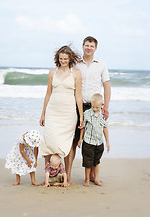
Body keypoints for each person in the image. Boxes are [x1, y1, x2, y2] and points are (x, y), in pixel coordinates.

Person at [67, 36, 111, 184]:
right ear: (83, 46)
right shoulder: (76, 64)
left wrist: (106, 106)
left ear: (95, 48)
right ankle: (68, 174)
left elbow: (106, 85)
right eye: (86, 45)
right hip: (76, 105)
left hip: (94, 108)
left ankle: (92, 176)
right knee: (73, 141)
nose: (89, 48)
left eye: (91, 46)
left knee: (94, 141)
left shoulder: (101, 64)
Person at [39, 46, 83, 177]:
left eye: (65, 59)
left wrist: (81, 116)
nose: (63, 61)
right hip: (53, 112)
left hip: (68, 113)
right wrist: (43, 114)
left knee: (67, 144)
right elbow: (48, 94)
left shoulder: (76, 73)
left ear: (70, 59)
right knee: (48, 141)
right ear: (57, 58)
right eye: (61, 58)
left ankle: (67, 176)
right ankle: (48, 175)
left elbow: (78, 96)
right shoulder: (52, 72)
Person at [78, 93, 110, 187]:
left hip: (99, 143)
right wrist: (80, 139)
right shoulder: (87, 114)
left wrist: (107, 142)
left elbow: (105, 128)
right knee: (88, 162)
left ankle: (95, 179)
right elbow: (83, 127)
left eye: (97, 107)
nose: (94, 109)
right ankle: (87, 179)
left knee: (96, 162)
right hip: (88, 142)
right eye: (93, 106)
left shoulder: (102, 116)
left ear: (102, 105)